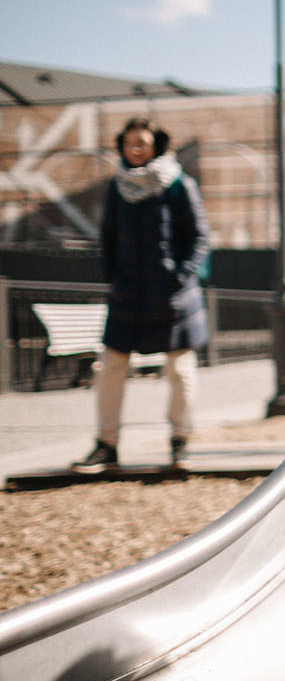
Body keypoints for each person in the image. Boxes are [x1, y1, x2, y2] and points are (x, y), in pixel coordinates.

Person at [72, 117, 211, 474]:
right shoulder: (118, 187)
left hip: (173, 296)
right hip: (128, 294)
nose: (135, 148)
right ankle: (106, 445)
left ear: (157, 145)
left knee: (180, 369)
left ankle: (181, 442)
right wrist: (114, 277)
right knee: (110, 368)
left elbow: (199, 238)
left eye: (143, 142)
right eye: (129, 142)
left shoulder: (180, 184)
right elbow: (108, 237)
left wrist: (177, 277)